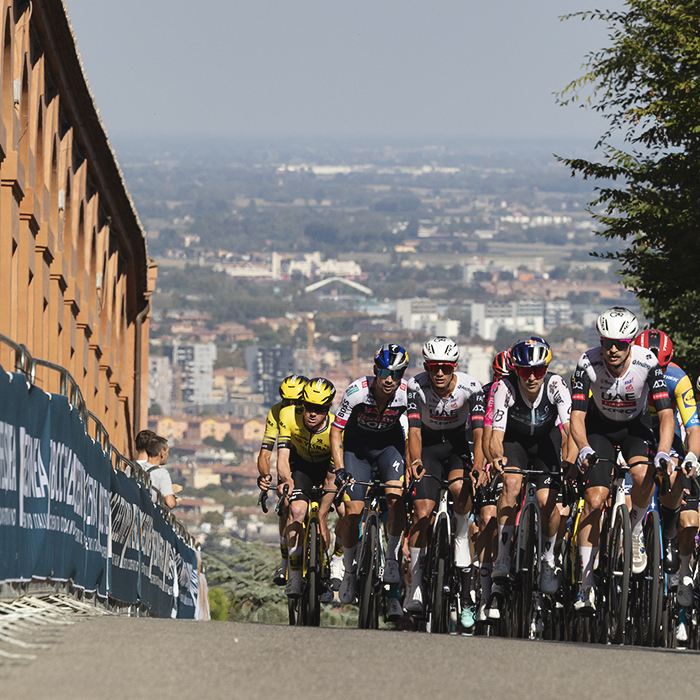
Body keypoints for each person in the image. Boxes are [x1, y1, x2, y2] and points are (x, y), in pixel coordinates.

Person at [570, 307, 674, 612]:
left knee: (644, 477)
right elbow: (576, 416)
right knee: (593, 500)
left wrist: (664, 452)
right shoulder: (587, 363)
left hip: (634, 427)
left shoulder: (648, 362)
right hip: (599, 427)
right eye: (606, 342)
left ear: (631, 343)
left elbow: (666, 415)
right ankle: (585, 585)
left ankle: (636, 526)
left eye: (620, 344)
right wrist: (583, 447)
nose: (612, 350)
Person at [489, 336, 574, 619]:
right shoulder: (504, 387)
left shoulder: (556, 384)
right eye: (525, 371)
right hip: (514, 442)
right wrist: (497, 458)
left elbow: (569, 430)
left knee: (547, 498)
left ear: (546, 368)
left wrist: (569, 461)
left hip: (545, 442)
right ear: (516, 370)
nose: (532, 377)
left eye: (538, 370)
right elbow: (495, 437)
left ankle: (548, 559)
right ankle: (502, 556)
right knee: (511, 485)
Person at [405, 336, 485, 624]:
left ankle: (461, 535)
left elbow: (478, 433)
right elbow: (413, 430)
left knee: (460, 486)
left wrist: (478, 464)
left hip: (458, 444)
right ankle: (415, 585)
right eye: (433, 366)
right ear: (426, 366)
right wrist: (414, 461)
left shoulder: (471, 387)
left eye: (445, 367)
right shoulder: (416, 386)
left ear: (455, 366)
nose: (439, 373)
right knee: (422, 511)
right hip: (427, 446)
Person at [330, 343, 410, 615]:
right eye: (386, 372)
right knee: (353, 512)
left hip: (389, 448)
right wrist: (340, 468)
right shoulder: (357, 392)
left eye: (397, 374)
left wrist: (412, 464)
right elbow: (335, 432)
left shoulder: (406, 395)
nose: (390, 379)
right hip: (357, 450)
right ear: (376, 370)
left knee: (395, 497)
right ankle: (350, 571)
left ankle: (390, 560)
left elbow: (412, 435)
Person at [633, 330, 700, 640]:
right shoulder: (622, 373)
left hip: (666, 435)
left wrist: (692, 457)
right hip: (632, 434)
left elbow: (691, 426)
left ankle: (669, 539)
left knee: (673, 478)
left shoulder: (679, 379)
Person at [276, 378, 337, 600]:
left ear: (328, 408)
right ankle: (293, 574)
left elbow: (333, 476)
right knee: (297, 511)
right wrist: (286, 480)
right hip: (301, 467)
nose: (311, 413)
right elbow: (282, 457)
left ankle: (328, 566)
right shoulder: (288, 416)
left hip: (327, 470)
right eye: (307, 407)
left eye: (319, 409)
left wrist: (322, 512)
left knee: (327, 518)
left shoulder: (336, 427)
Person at [257, 375, 308, 586]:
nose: (291, 406)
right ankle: (286, 559)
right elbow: (266, 452)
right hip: (288, 460)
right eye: (286, 401)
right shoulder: (276, 412)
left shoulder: (313, 413)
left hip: (314, 457)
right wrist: (264, 475)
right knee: (286, 505)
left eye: (296, 402)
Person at [143, 434, 177, 509]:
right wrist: (173, 497)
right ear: (161, 452)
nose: (167, 455)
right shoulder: (162, 473)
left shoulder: (132, 468)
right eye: (167, 451)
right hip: (147, 515)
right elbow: (170, 503)